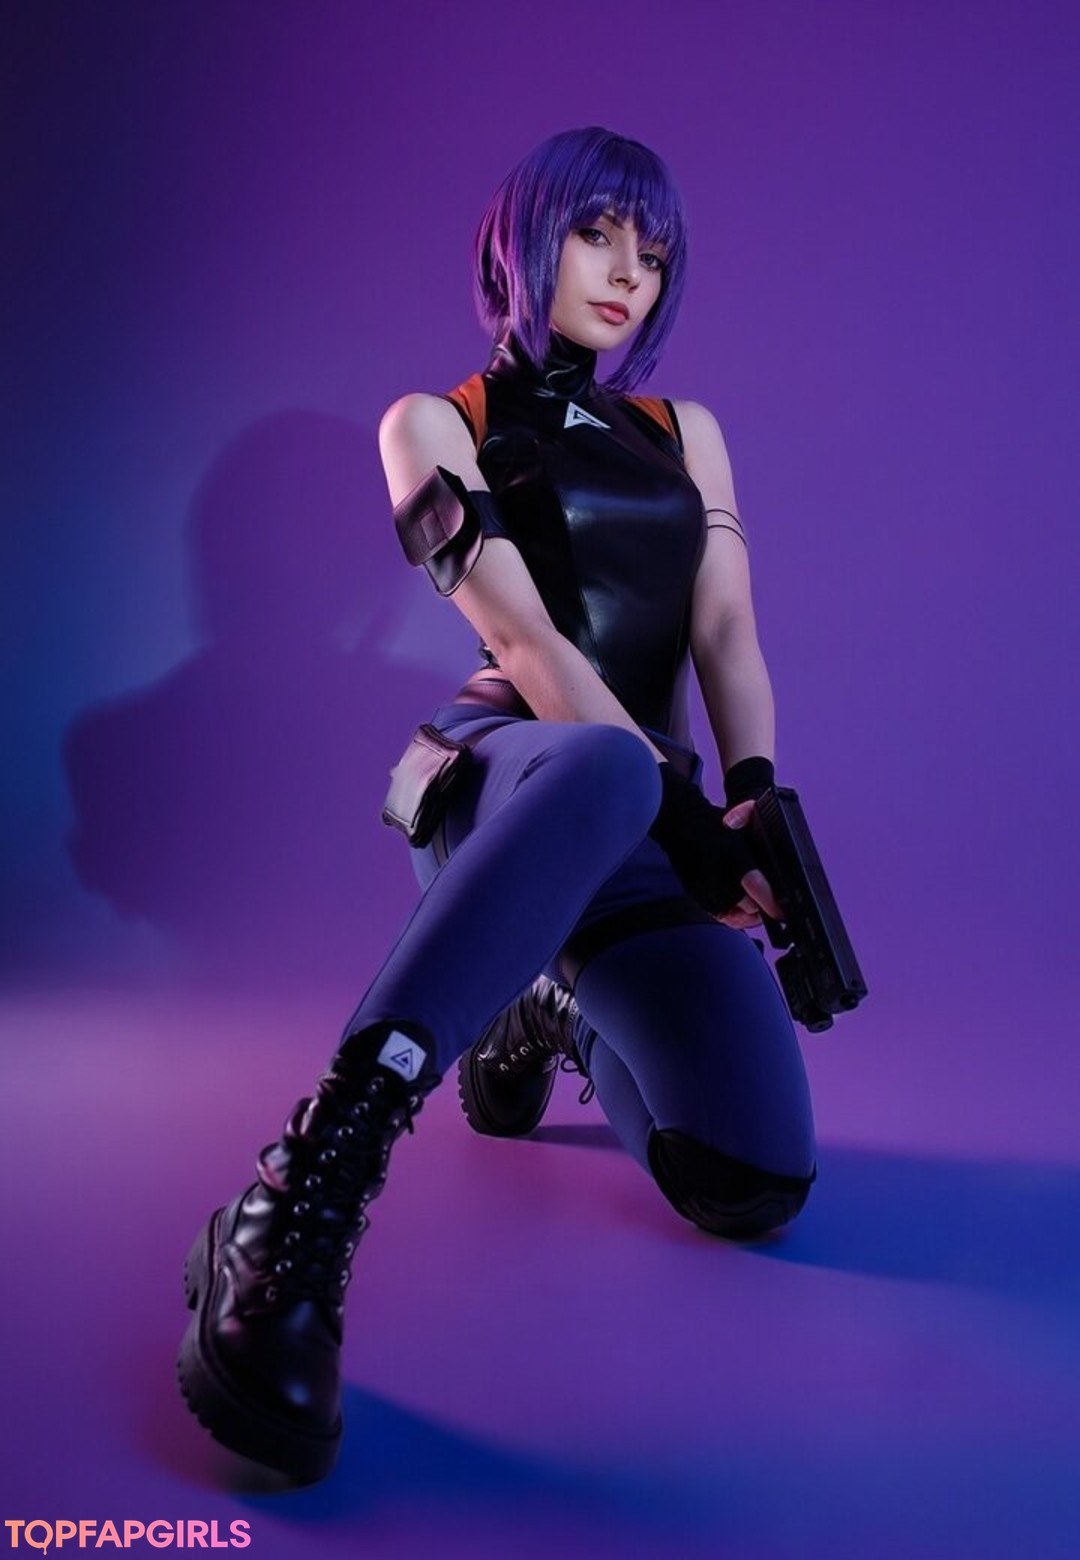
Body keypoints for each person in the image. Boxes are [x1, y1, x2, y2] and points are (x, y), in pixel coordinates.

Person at [178, 126, 816, 1485]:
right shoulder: (434, 424)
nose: (628, 274)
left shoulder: (687, 435)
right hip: (512, 777)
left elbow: (726, 631)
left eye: (654, 254)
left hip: (650, 814)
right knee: (603, 765)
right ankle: (295, 1198)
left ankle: (548, 1007)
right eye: (597, 235)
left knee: (752, 1181)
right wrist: (685, 820)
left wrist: (754, 799)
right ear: (525, 241)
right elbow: (526, 645)